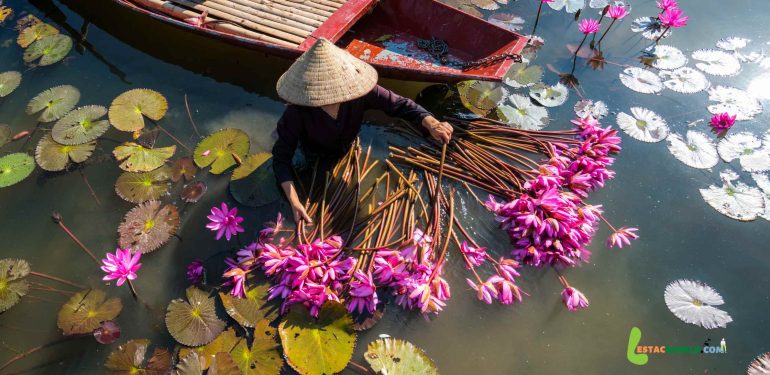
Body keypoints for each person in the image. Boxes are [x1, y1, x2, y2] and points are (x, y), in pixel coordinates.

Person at [272, 38, 453, 224]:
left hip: (347, 146)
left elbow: (399, 104)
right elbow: (280, 160)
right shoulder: (297, 112)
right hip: (313, 154)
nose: (332, 96)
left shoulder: (359, 92)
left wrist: (431, 123)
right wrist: (294, 202)